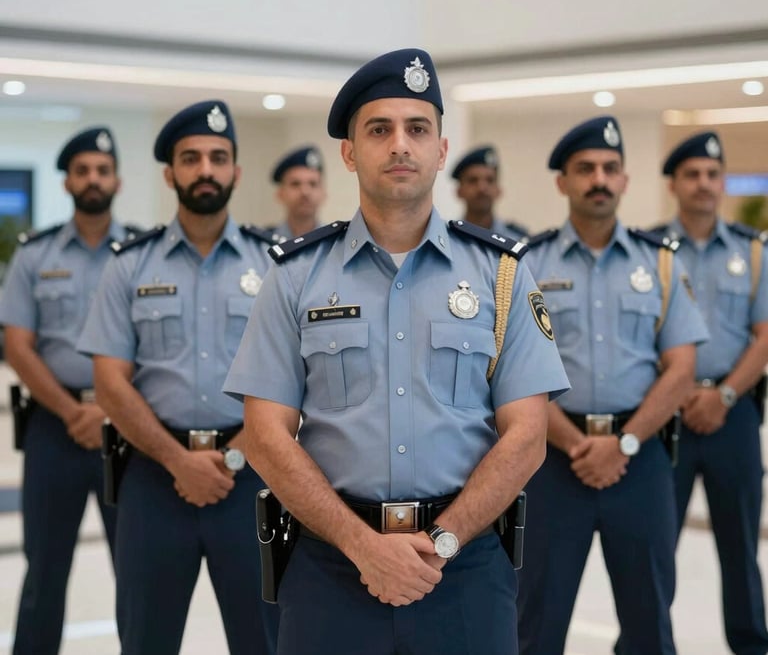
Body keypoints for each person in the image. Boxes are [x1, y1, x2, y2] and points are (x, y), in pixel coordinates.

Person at [223, 48, 570, 655]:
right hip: (330, 568)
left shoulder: (503, 274)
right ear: (350, 152)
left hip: (463, 568)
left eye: (417, 129)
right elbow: (265, 435)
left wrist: (437, 544)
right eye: (379, 130)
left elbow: (527, 437)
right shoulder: (297, 275)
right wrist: (363, 547)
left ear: (441, 150)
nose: (400, 145)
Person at [76, 101, 278, 655]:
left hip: (252, 480)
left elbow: (298, 381)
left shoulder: (277, 266)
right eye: (191, 158)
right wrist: (177, 460)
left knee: (263, 639)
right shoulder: (130, 265)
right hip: (152, 480)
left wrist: (230, 459)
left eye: (218, 157)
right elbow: (111, 382)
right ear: (171, 174)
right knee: (145, 638)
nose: (205, 169)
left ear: (236, 170)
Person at [516, 116, 709, 655]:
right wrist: (579, 445)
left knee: (650, 619)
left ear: (624, 180)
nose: (598, 178)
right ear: (563, 182)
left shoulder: (661, 264)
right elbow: (514, 376)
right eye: (585, 169)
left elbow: (681, 369)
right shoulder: (526, 265)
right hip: (552, 461)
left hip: (640, 461)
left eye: (609, 168)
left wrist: (622, 445)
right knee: (537, 620)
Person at [0, 126, 131, 655]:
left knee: (137, 573)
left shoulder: (141, 253)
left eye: (102, 169)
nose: (93, 179)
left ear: (116, 179)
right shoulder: (35, 255)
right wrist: (75, 411)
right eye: (83, 170)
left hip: (125, 434)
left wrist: (108, 409)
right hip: (54, 430)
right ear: (67, 181)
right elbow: (18, 345)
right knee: (44, 572)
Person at [654, 131, 768, 655]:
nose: (704, 184)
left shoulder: (754, 251)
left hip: (733, 414)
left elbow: (764, 337)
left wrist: (721, 397)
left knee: (739, 546)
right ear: (674, 183)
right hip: (666, 414)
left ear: (722, 183)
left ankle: (750, 644)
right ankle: (643, 641)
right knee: (655, 546)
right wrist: (674, 394)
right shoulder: (650, 251)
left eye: (712, 174)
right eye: (692, 174)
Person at [450, 144, 528, 239]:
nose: (482, 188)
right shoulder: (449, 239)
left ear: (499, 191)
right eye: (473, 180)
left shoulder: (518, 240)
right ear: (459, 191)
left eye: (490, 180)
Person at [267, 144, 326, 241]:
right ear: (280, 194)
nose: (305, 192)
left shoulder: (337, 244)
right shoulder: (262, 245)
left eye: (313, 184)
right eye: (295, 184)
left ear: (324, 193)